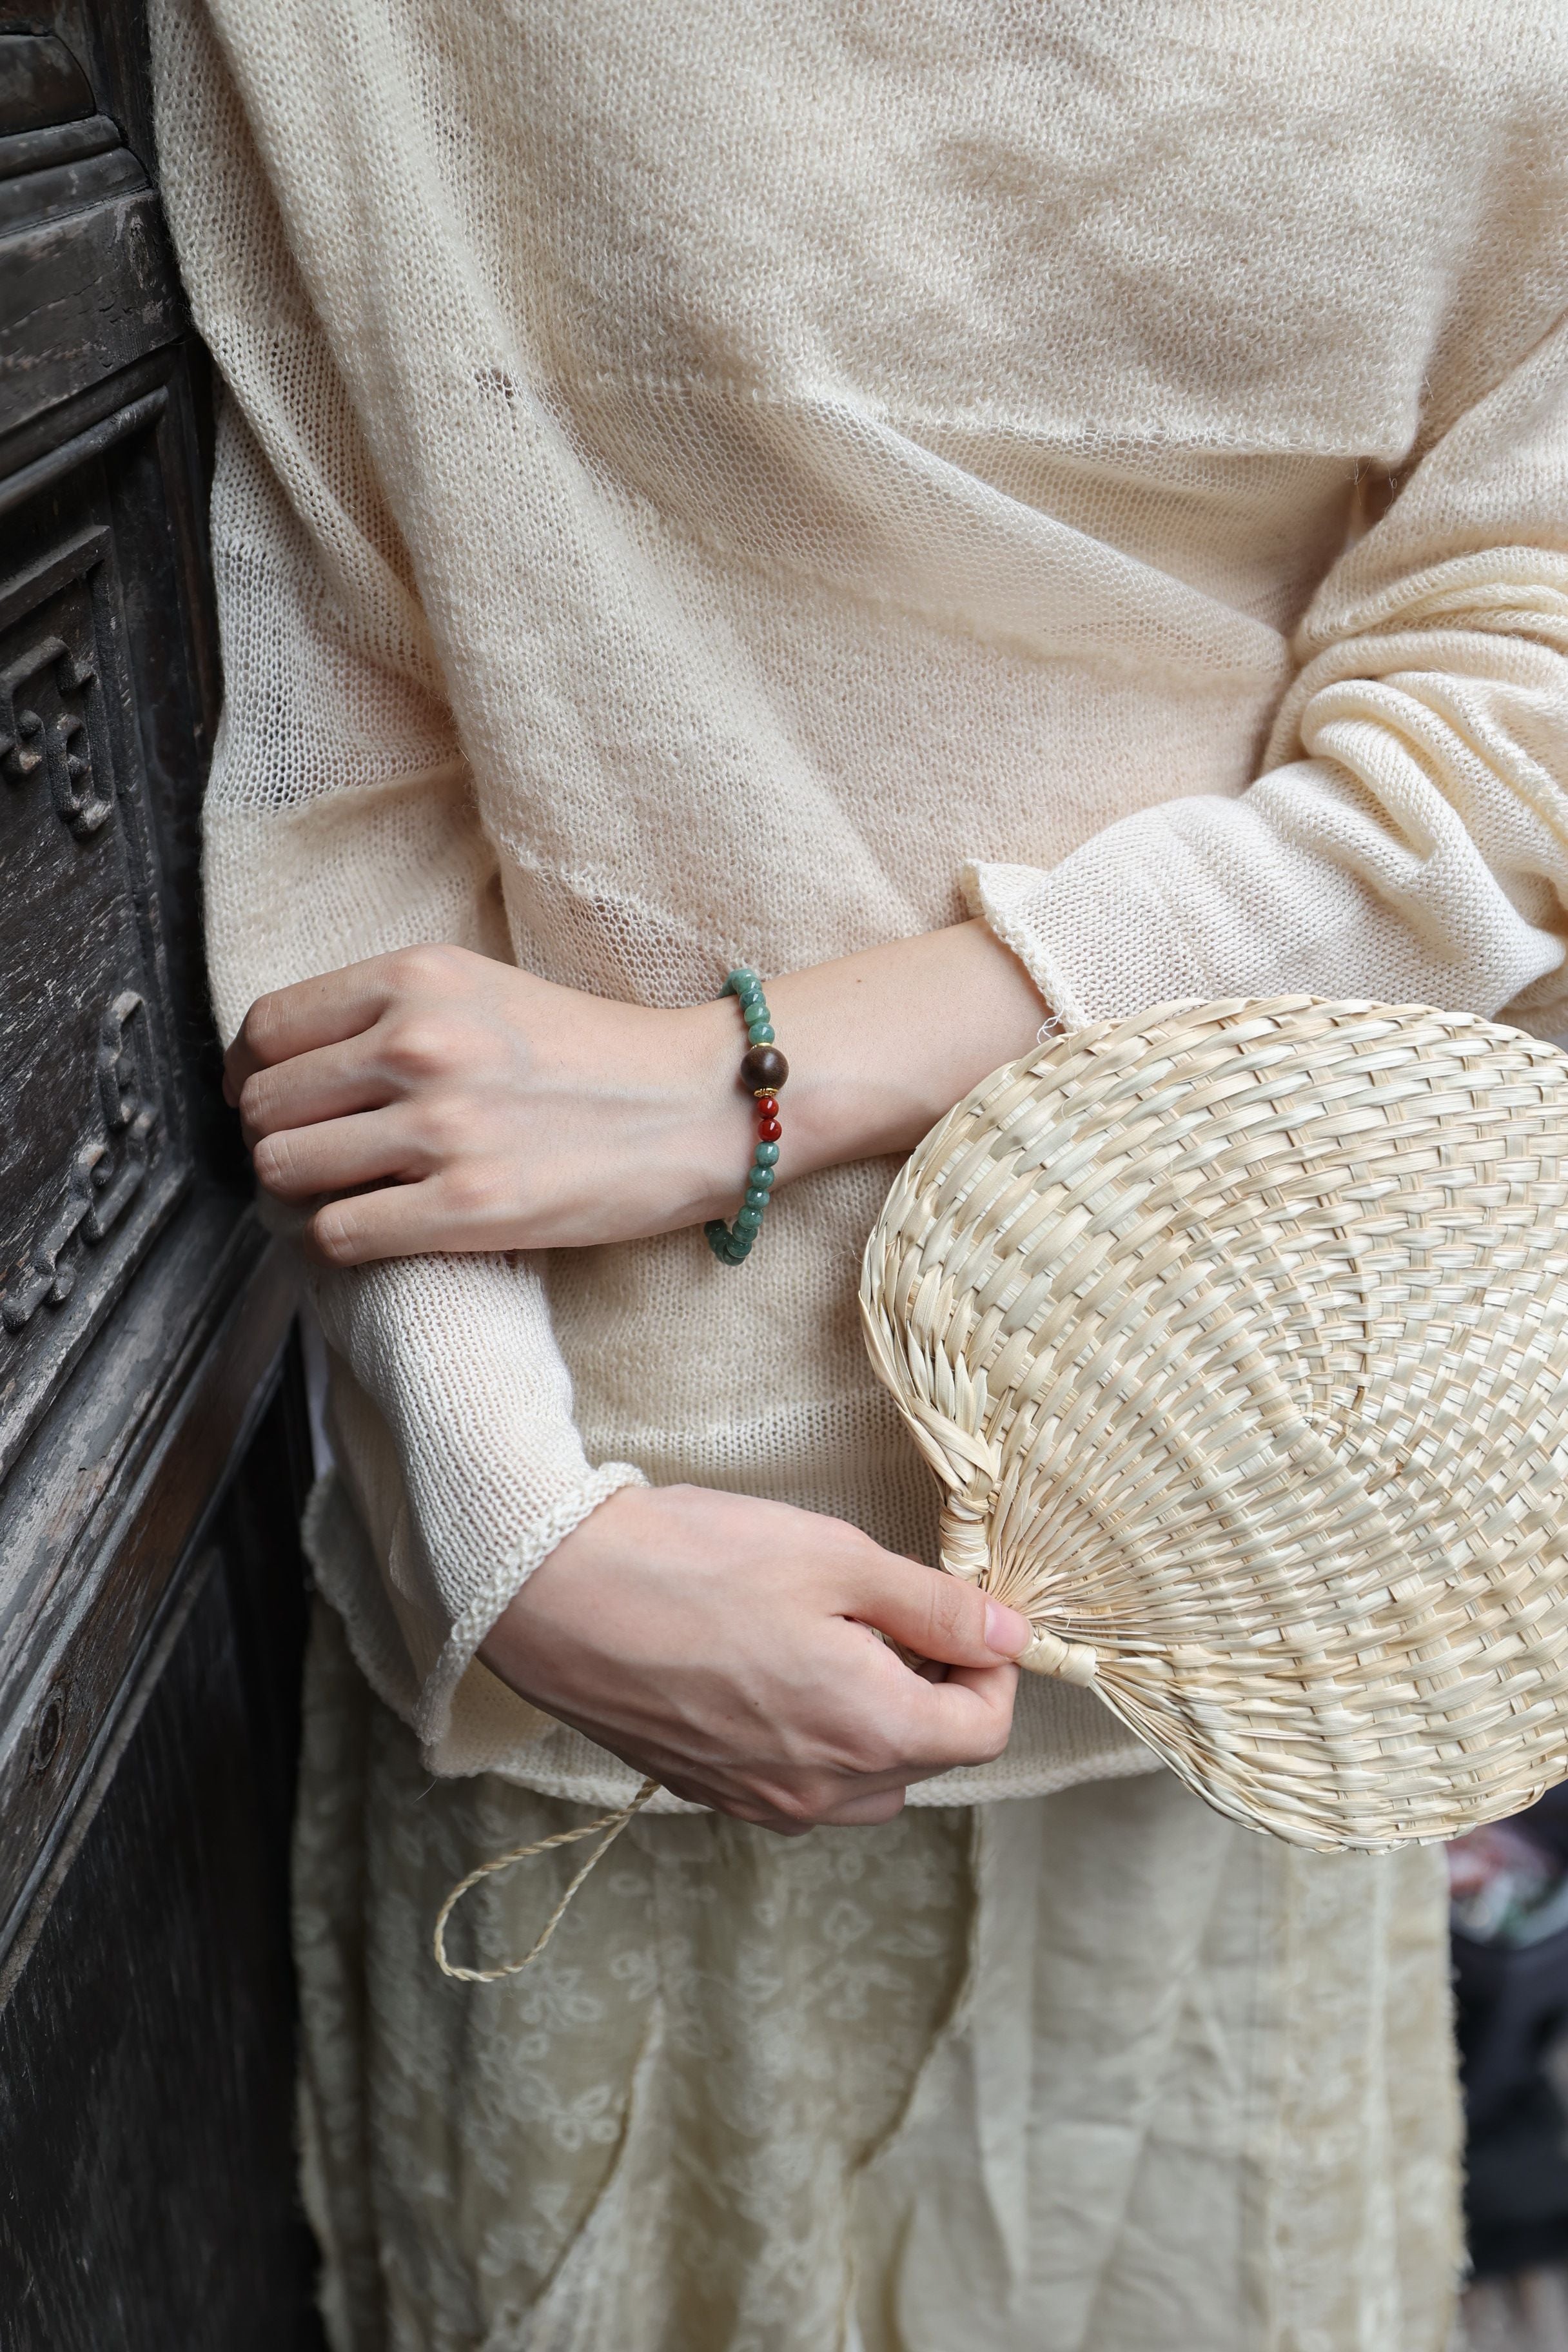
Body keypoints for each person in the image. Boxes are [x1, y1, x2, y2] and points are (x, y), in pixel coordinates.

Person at [148, 1, 1568, 2342]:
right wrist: (519, 1534)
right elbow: (333, 761)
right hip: (628, 1637)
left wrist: (752, 1078)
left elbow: (1506, 732)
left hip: (1257, 1565)